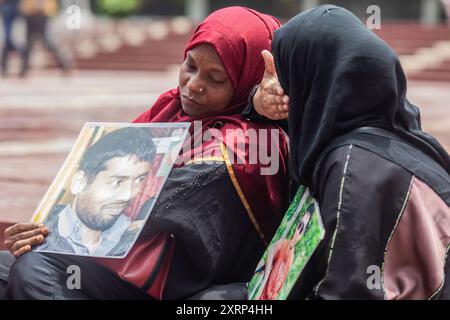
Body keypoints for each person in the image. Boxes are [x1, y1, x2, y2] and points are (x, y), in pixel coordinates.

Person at [0, 6, 289, 300]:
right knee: (8, 267)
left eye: (216, 79)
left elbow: (140, 206)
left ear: (248, 81)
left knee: (36, 270)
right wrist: (40, 230)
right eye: (190, 65)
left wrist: (54, 231)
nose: (194, 85)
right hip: (130, 258)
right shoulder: (173, 109)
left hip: (177, 284)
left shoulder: (243, 144)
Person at [250, 5, 450, 300]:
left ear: (314, 84)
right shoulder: (396, 137)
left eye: (289, 75)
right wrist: (258, 105)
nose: (283, 88)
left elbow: (346, 293)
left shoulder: (352, 166)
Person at [34, 127, 156, 257]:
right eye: (118, 182)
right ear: (80, 183)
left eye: (139, 180)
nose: (128, 195)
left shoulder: (135, 237)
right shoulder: (39, 241)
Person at [19, 0, 70, 76]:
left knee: (48, 43)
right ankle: (23, 69)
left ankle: (65, 65)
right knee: (28, 44)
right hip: (30, 15)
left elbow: (50, 5)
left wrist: (43, 8)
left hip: (42, 15)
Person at [0, 0, 23, 77]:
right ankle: (5, 68)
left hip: (16, 7)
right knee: (8, 38)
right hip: (9, 7)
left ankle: (22, 68)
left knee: (15, 38)